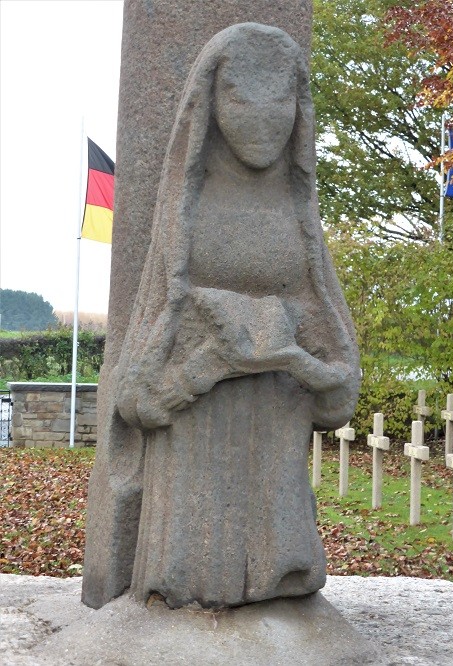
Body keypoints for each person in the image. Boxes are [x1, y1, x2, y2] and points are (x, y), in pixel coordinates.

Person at [84, 23, 360, 610]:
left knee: (279, 567)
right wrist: (206, 365)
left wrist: (290, 357)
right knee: (191, 569)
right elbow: (139, 398)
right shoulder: (182, 221)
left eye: (280, 99)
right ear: (210, 100)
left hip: (276, 457)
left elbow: (340, 393)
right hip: (192, 470)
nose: (262, 117)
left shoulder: (299, 225)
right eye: (239, 96)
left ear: (299, 106)